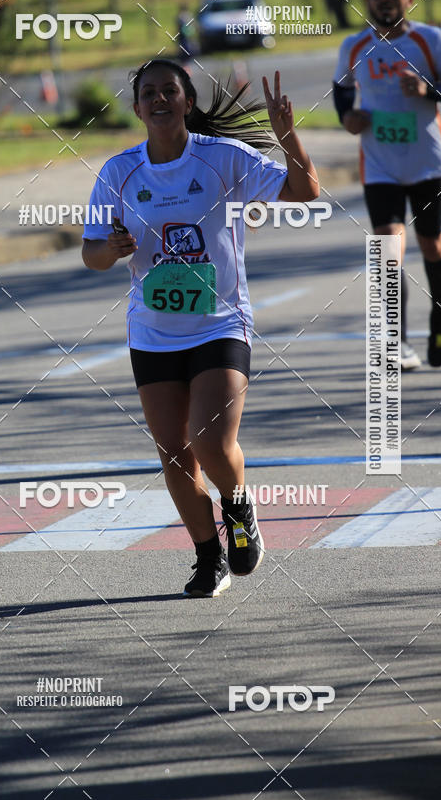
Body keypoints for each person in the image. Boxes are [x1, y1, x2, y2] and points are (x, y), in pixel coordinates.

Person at [82, 58, 319, 597]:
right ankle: (207, 556)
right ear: (137, 106)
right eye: (149, 93)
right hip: (153, 331)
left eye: (170, 90)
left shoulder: (223, 160)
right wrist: (111, 250)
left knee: (211, 442)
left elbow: (304, 191)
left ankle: (238, 510)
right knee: (173, 452)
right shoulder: (119, 172)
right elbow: (91, 253)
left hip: (219, 325)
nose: (160, 100)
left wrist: (288, 138)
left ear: (187, 100)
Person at [333, 0, 441, 370]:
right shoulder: (355, 47)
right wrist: (347, 117)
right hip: (380, 166)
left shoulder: (430, 41)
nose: (384, 0)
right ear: (368, 2)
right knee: (388, 250)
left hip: (429, 163)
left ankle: (438, 315)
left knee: (432, 243)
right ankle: (397, 341)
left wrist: (429, 89)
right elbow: (341, 90)